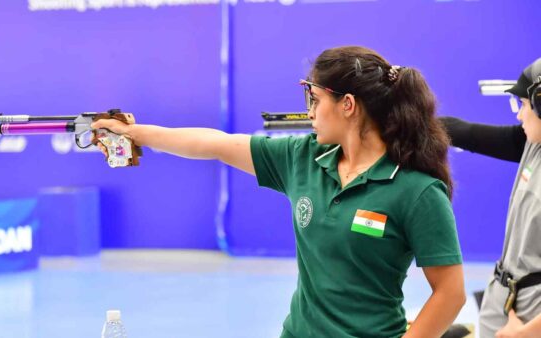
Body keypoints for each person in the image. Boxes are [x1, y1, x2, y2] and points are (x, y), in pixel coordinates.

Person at [93, 46, 466, 337]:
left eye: (315, 101)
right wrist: (133, 133)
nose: (310, 113)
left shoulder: (417, 190)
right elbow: (215, 144)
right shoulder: (303, 157)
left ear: (348, 105)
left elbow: (450, 294)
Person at [440, 58, 541, 338]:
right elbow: (466, 132)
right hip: (507, 298)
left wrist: (530, 332)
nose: (519, 116)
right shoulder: (534, 144)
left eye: (523, 105)